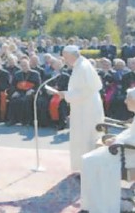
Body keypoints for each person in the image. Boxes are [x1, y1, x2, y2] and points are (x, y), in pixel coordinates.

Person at [45, 45, 105, 174]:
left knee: (86, 137)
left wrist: (65, 95)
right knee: (81, 137)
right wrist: (67, 94)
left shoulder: (82, 67)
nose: (65, 60)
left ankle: (88, 169)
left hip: (87, 108)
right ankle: (84, 167)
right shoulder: (80, 65)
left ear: (71, 55)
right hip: (83, 106)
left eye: (66, 57)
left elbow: (86, 90)